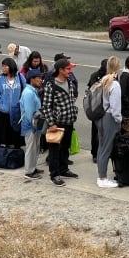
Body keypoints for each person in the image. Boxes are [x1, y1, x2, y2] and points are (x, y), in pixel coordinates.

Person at [40, 58, 79, 186]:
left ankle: (63, 169)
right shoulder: (51, 85)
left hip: (69, 121)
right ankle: (54, 174)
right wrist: (52, 123)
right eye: (68, 69)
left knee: (65, 148)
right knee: (54, 150)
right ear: (60, 70)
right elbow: (46, 106)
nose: (70, 71)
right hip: (57, 123)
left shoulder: (69, 82)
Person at [95, 56, 121, 188]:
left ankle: (100, 174)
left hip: (101, 116)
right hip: (110, 118)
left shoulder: (103, 81)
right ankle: (102, 177)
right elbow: (115, 107)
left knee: (101, 147)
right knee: (106, 148)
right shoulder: (114, 84)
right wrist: (119, 120)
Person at [0, 57, 26, 144]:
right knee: (5, 133)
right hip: (4, 112)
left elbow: (25, 90)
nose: (3, 68)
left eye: (5, 66)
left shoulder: (20, 77)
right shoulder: (0, 79)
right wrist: (2, 106)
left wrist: (21, 103)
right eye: (2, 66)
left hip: (16, 112)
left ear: (11, 66)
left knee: (15, 133)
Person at [20, 69, 45, 180]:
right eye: (38, 78)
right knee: (31, 148)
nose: (41, 80)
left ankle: (33, 167)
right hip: (31, 126)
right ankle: (29, 171)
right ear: (32, 80)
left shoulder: (33, 91)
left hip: (35, 125)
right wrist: (35, 127)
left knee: (35, 147)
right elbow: (30, 114)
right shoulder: (29, 93)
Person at [87, 59, 108, 163]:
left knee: (105, 132)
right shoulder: (95, 76)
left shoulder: (111, 76)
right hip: (96, 108)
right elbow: (92, 90)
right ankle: (95, 153)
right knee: (96, 132)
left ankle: (103, 152)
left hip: (107, 108)